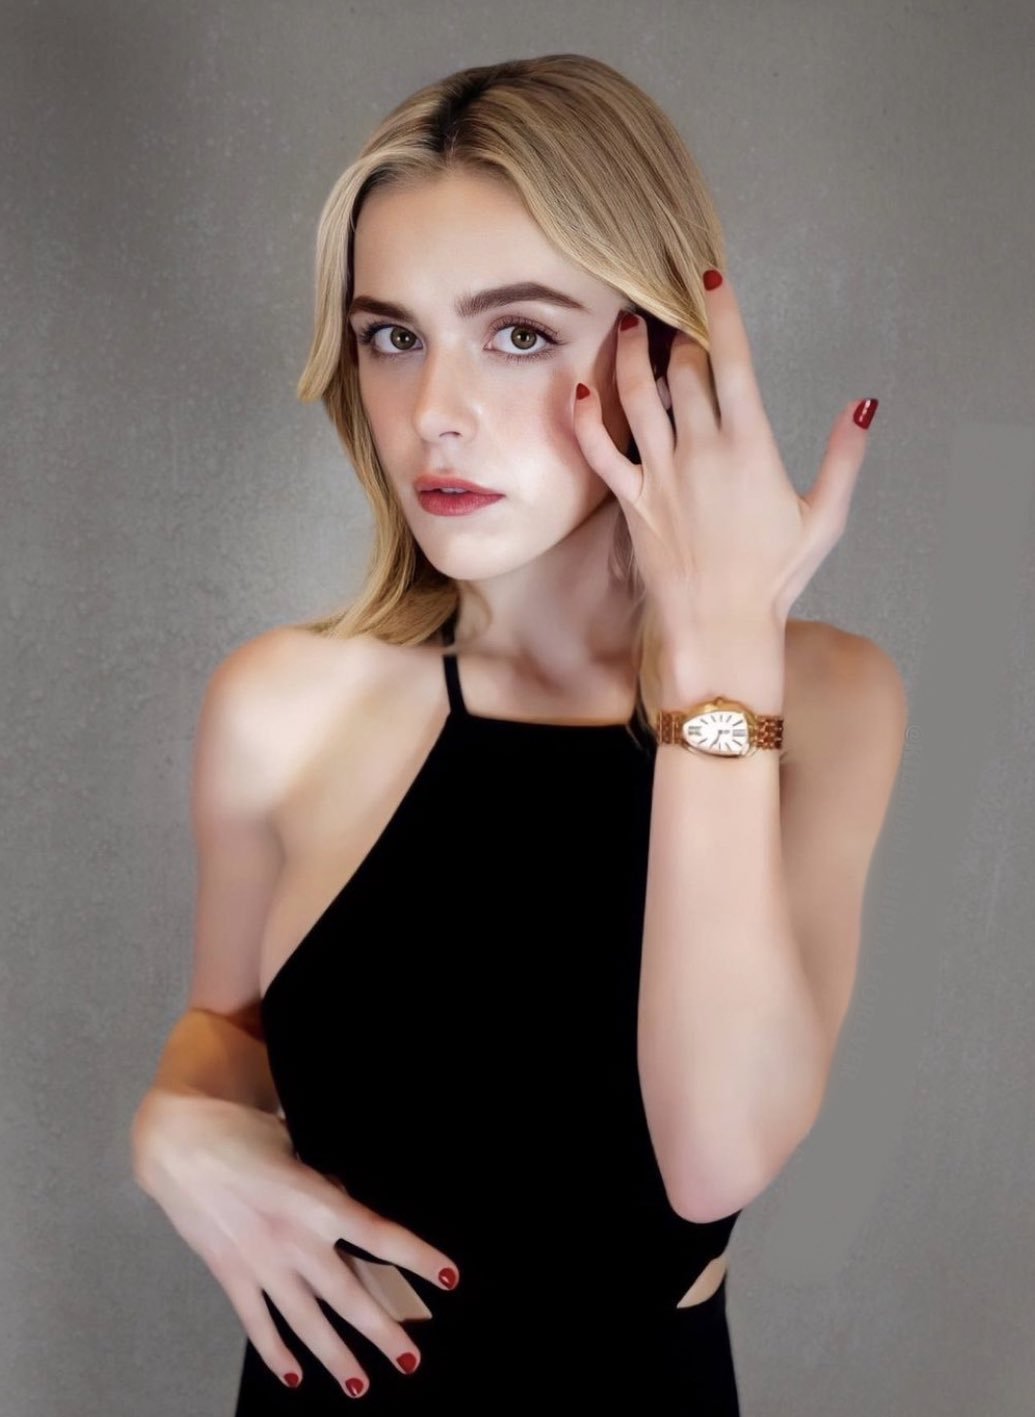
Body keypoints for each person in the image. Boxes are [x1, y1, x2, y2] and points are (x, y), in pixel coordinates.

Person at [131, 53, 907, 1413]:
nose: (435, 411)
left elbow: (712, 1161)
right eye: (392, 336)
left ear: (663, 348)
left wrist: (722, 650)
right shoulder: (282, 703)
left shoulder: (830, 699)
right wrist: (178, 1122)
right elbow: (227, 1023)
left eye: (521, 334)